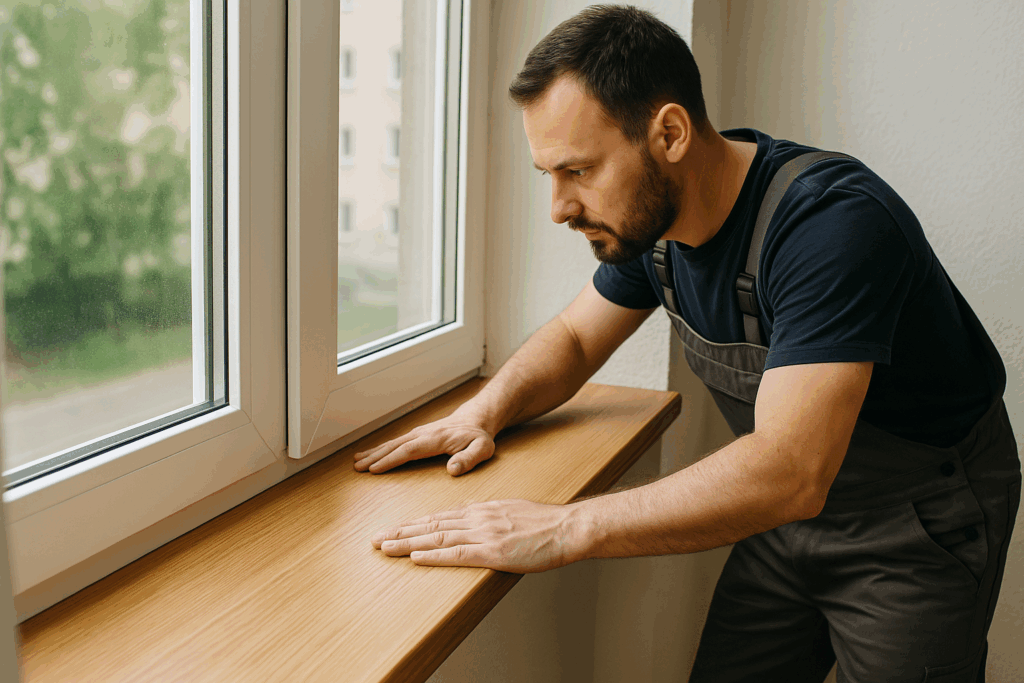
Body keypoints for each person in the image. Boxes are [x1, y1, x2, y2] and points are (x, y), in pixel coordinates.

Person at [353, 5, 1020, 681]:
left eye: (578, 171)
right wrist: (483, 412)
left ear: (669, 134)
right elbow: (576, 338)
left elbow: (791, 471)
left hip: (913, 527)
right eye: (548, 175)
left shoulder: (831, 225)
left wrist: (563, 527)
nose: (558, 207)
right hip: (784, 518)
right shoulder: (656, 229)